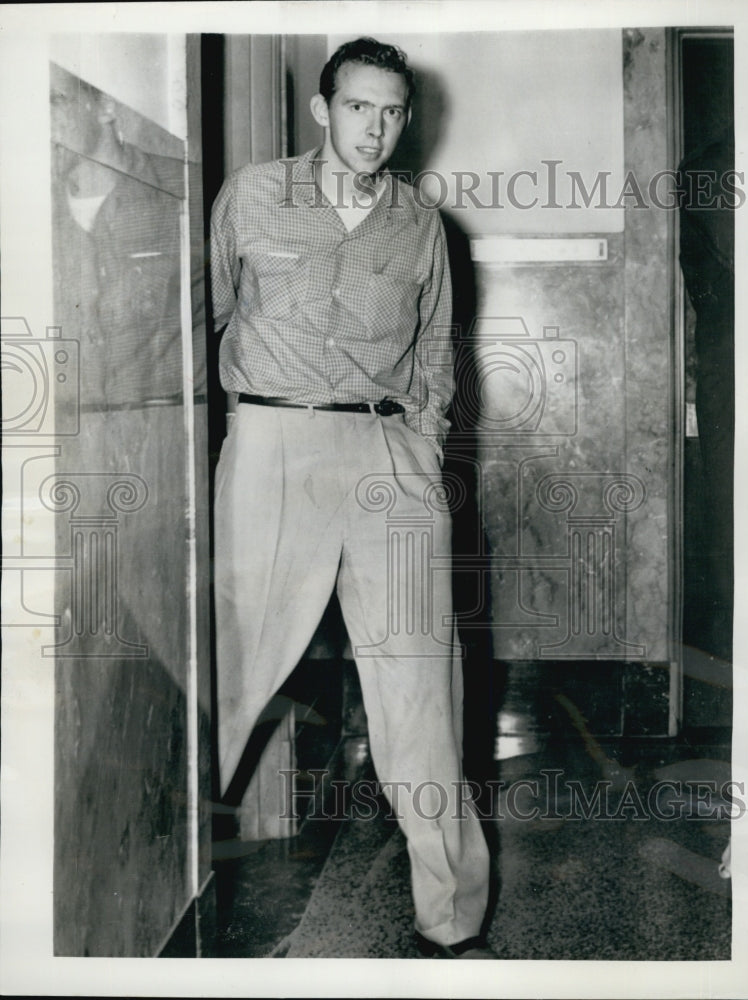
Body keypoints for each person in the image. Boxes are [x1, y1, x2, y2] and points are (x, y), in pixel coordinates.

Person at [210, 37, 493, 959]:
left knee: (419, 684)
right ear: (323, 109)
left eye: (392, 111)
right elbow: (206, 309)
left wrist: (420, 438)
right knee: (234, 664)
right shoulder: (252, 194)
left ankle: (450, 919)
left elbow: (439, 351)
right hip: (272, 439)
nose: (374, 128)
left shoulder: (421, 226)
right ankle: (173, 868)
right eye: (359, 106)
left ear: (407, 119)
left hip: (387, 451)